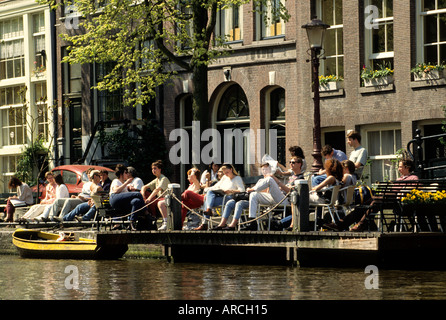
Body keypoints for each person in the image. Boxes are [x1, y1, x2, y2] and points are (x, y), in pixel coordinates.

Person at [324, 158, 418, 232]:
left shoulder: (413, 177)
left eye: (400, 167)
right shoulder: (399, 179)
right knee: (363, 206)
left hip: (397, 201)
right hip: (388, 198)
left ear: (407, 167)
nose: (399, 169)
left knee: (374, 201)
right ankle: (344, 224)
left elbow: (413, 190)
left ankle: (354, 224)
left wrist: (401, 192)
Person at [243, 156, 305, 231]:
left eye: (293, 162)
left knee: (270, 179)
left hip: (286, 200)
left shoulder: (300, 178)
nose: (291, 164)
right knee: (254, 195)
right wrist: (277, 188)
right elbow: (285, 187)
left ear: (299, 164)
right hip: (278, 197)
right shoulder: (292, 176)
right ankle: (252, 222)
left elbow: (291, 192)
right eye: (290, 162)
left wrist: (276, 180)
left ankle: (251, 190)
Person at [194, 163, 245, 231]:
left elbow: (242, 190)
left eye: (227, 172)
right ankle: (208, 211)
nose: (226, 174)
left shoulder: (237, 178)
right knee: (209, 194)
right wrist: (207, 189)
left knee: (207, 201)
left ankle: (205, 223)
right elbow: (216, 186)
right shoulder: (224, 178)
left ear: (231, 169)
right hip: (222, 197)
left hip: (230, 198)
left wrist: (231, 191)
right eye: (224, 173)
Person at [110, 164, 146, 230]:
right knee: (138, 194)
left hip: (123, 203)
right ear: (121, 174)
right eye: (126, 173)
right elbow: (115, 190)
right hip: (115, 199)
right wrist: (126, 183)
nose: (127, 174)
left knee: (136, 201)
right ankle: (146, 212)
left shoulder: (125, 184)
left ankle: (132, 222)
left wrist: (129, 187)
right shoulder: (116, 181)